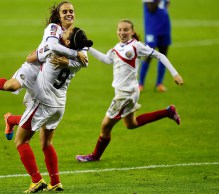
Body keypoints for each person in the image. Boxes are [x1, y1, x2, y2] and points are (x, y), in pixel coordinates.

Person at [0, 1, 87, 140]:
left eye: (71, 11)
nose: (69, 14)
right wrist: (74, 54)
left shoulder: (76, 35)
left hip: (48, 73)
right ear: (58, 15)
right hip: (35, 64)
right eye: (65, 12)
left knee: (39, 116)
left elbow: (85, 61)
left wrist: (69, 61)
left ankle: (11, 120)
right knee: (11, 86)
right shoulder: (54, 28)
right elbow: (51, 47)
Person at [75, 19, 183, 162]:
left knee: (105, 126)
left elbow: (160, 55)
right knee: (131, 124)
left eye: (126, 30)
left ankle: (95, 156)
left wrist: (175, 74)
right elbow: (107, 60)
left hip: (125, 95)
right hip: (127, 92)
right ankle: (168, 111)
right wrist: (88, 47)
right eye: (119, 29)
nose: (122, 32)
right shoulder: (117, 46)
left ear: (132, 31)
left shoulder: (136, 46)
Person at [14, 26, 93, 193]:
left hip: (44, 103)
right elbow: (84, 61)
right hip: (59, 106)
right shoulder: (78, 63)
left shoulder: (54, 53)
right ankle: (56, 182)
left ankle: (36, 180)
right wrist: (76, 54)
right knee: (46, 143)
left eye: (64, 34)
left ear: (67, 42)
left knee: (21, 141)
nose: (61, 33)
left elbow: (30, 58)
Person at [139, 0, 171, 92]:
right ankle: (140, 84)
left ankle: (159, 84)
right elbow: (151, 8)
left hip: (165, 27)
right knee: (148, 55)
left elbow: (167, 5)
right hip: (152, 29)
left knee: (163, 55)